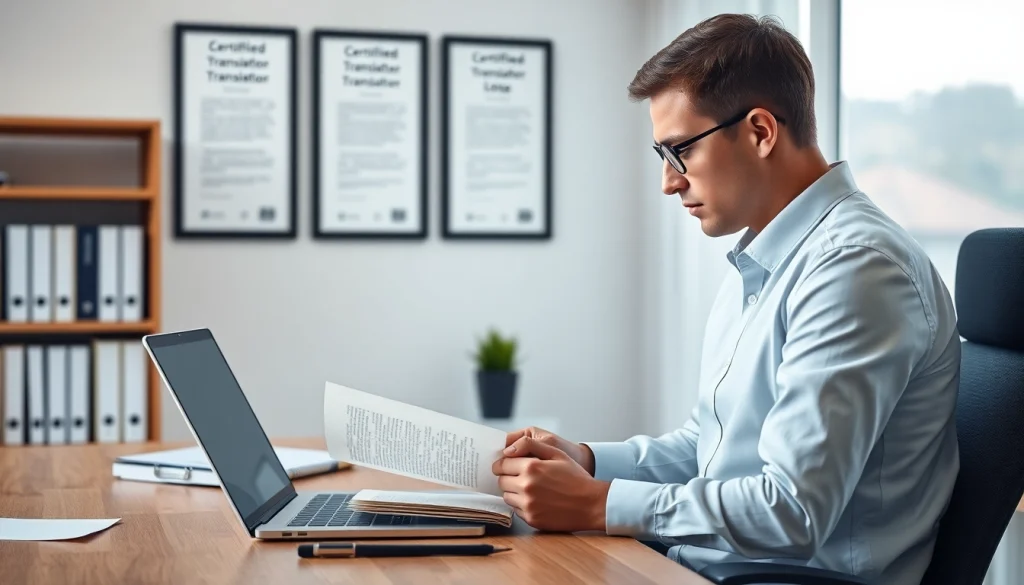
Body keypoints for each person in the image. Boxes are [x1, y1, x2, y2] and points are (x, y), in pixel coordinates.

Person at [491, 12, 960, 585]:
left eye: (679, 152)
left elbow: (793, 510)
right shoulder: (765, 258)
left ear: (761, 131)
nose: (669, 181)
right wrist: (588, 461)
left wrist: (598, 503)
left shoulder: (855, 269)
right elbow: (708, 448)